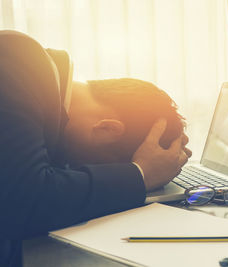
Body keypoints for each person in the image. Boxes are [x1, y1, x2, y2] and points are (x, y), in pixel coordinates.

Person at [0, 30, 191, 266]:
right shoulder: (18, 60)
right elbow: (25, 201)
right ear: (108, 129)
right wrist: (140, 175)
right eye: (100, 164)